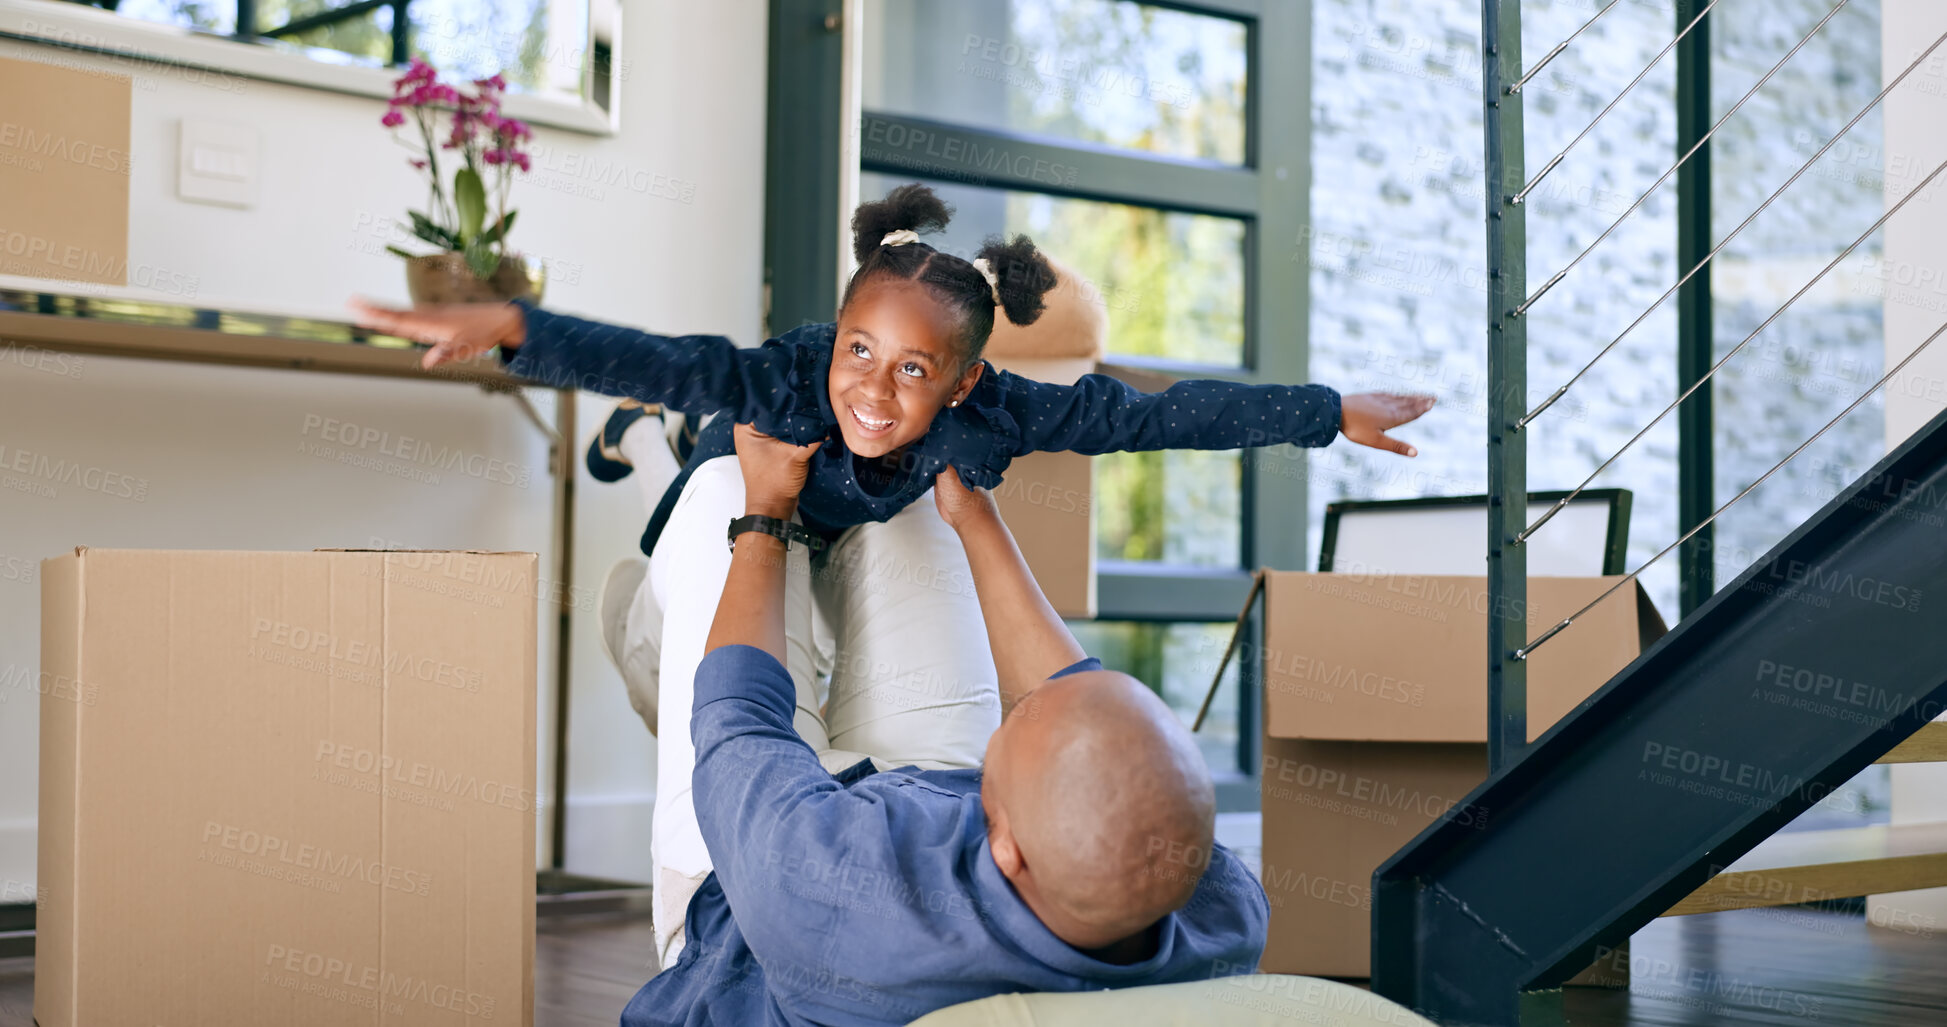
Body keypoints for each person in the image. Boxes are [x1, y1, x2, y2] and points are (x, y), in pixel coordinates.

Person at [618, 418, 1267, 1026]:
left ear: (1005, 841)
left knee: (721, 488)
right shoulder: (1220, 903)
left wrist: (764, 511)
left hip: (745, 886)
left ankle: (635, 638)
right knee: (911, 503)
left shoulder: (823, 898)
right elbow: (1075, 700)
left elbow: (738, 717)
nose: (1012, 707)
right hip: (911, 801)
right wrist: (974, 515)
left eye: (1006, 734)